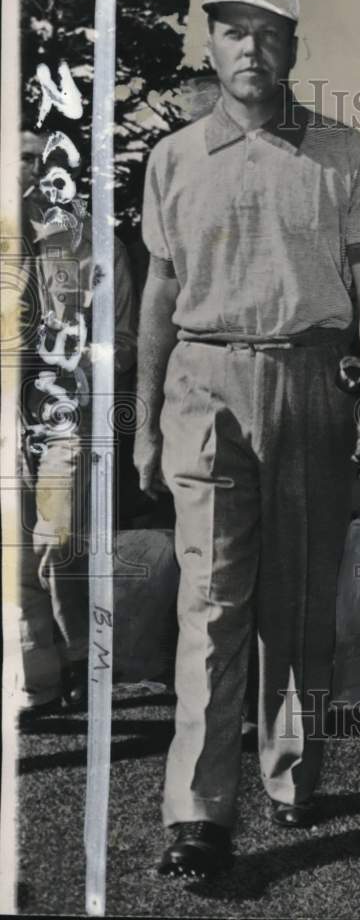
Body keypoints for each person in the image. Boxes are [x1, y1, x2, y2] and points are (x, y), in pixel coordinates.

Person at [134, 0, 360, 879]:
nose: (253, 47)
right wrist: (141, 421)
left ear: (295, 46)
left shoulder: (343, 153)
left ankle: (292, 772)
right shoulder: (171, 158)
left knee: (297, 600)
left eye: (271, 31)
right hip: (204, 384)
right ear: (209, 44)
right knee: (209, 603)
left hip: (314, 382)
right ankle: (198, 813)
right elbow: (158, 299)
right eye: (235, 30)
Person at [17, 130, 137, 716]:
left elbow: (131, 340)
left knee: (59, 543)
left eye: (46, 161)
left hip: (69, 415)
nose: (34, 172)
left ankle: (82, 667)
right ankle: (38, 685)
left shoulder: (95, 243)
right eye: (20, 159)